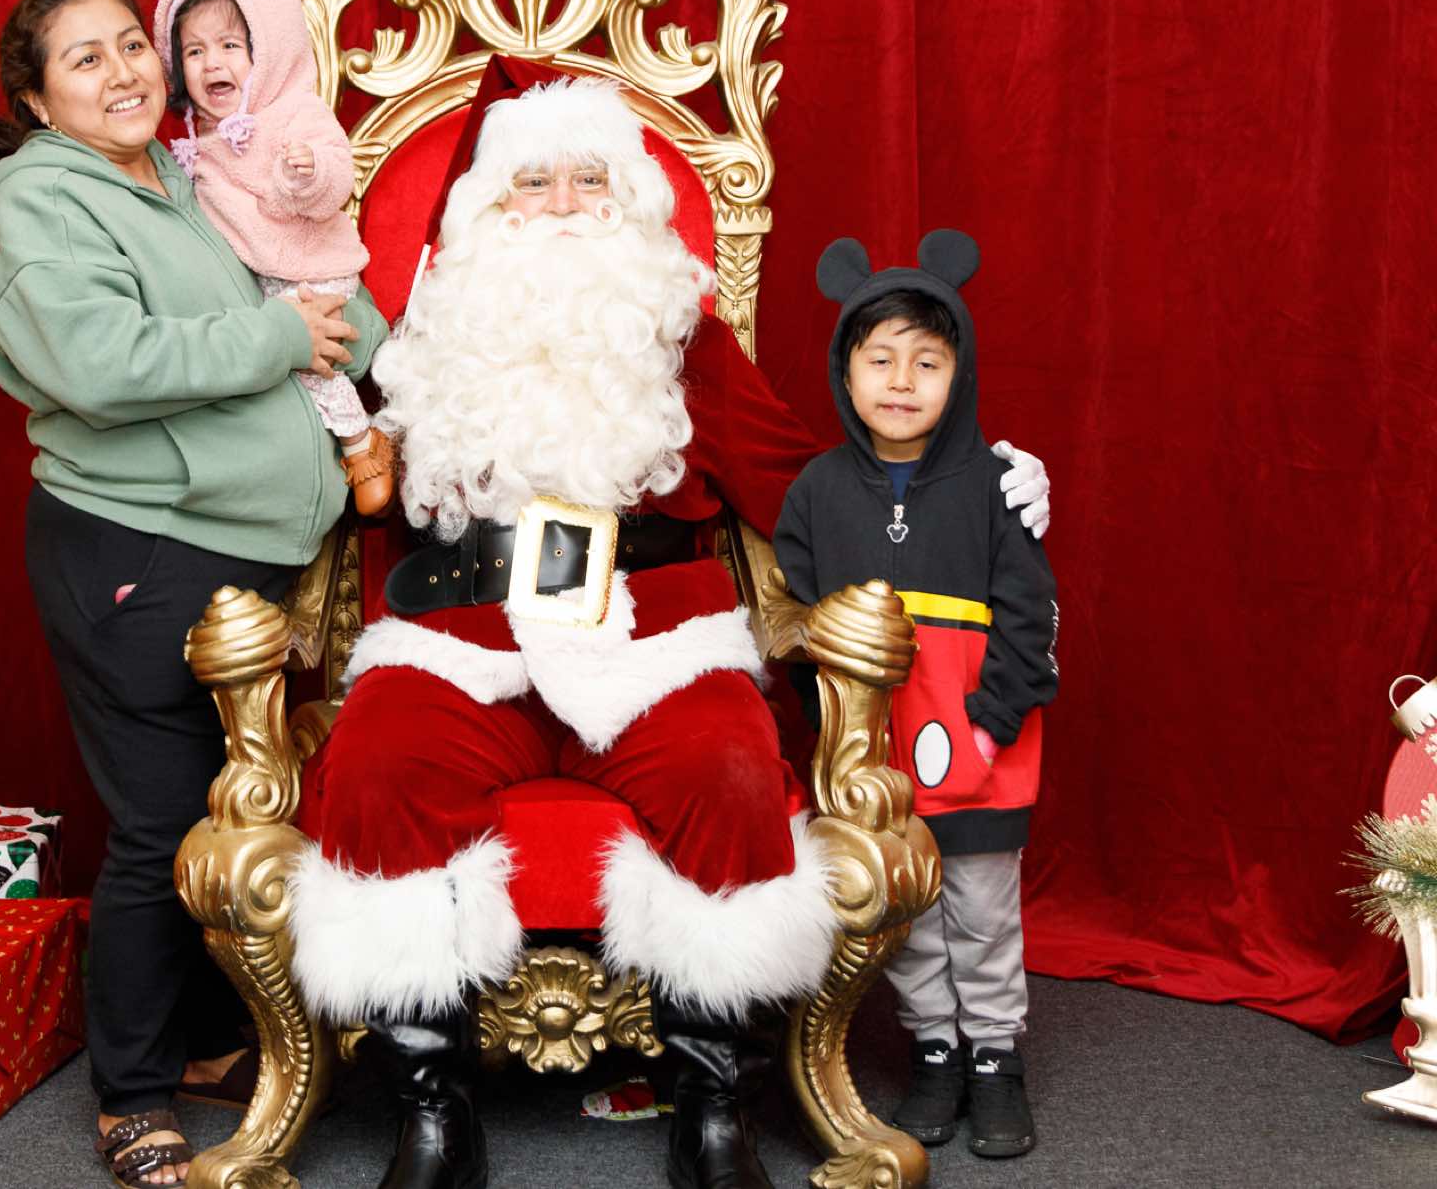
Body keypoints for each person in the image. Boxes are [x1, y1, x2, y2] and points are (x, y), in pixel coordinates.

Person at [282, 73, 1054, 1189]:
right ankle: (431, 1108)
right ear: (487, 208)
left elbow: (803, 481)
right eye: (532, 182)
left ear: (629, 201)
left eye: (587, 179)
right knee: (375, 764)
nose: (561, 205)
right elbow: (343, 489)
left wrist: (970, 484)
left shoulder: (681, 336)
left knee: (731, 770)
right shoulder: (427, 342)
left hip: (651, 640)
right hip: (462, 639)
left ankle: (711, 1103)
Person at [0, 0, 389, 1189]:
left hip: (240, 556)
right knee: (161, 822)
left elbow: (314, 287)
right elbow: (98, 361)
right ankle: (132, 1094)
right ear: (36, 101)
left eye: (128, 46)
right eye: (83, 59)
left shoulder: (186, 170)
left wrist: (352, 328)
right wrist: (280, 338)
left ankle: (201, 1042)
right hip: (135, 550)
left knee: (224, 807)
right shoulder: (36, 195)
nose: (122, 73)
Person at [773, 231, 1059, 1161]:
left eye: (927, 362)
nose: (902, 381)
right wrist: (832, 734)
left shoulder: (996, 486)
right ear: (845, 371)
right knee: (910, 919)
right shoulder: (816, 491)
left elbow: (1031, 616)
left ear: (957, 373)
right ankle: (935, 1048)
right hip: (877, 765)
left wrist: (993, 723)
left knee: (981, 913)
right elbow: (799, 624)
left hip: (978, 749)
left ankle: (994, 1057)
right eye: (881, 359)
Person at [152, 0, 395, 515]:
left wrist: (304, 175)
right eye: (194, 51)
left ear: (268, 53)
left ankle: (360, 442)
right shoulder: (197, 139)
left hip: (312, 268)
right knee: (260, 352)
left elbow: (335, 176)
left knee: (307, 356)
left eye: (230, 46)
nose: (212, 64)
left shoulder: (294, 112)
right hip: (260, 275)